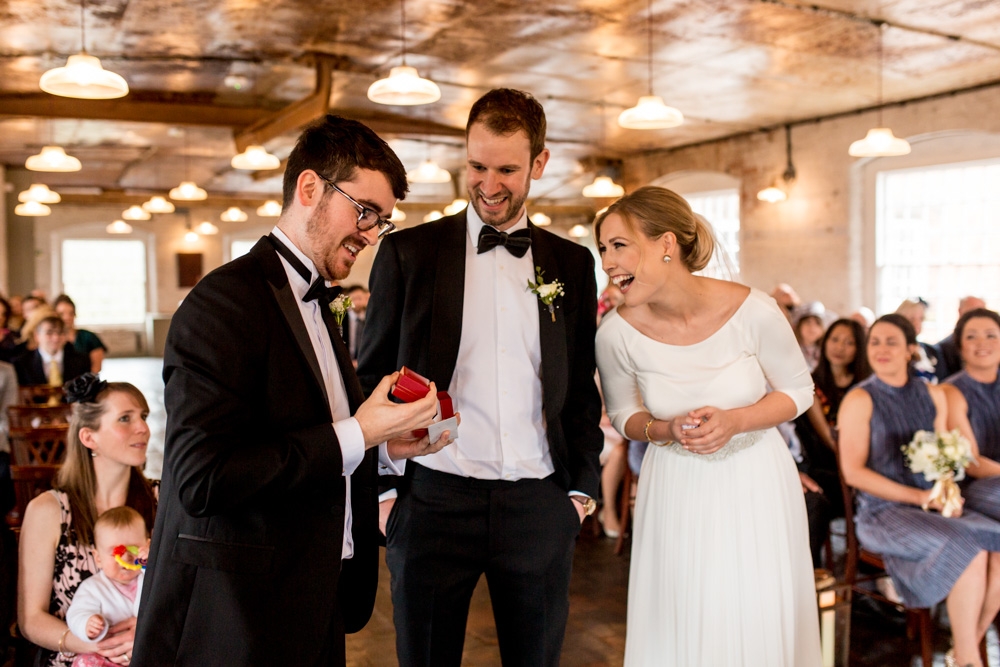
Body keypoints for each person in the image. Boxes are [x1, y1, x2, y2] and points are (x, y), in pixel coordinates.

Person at [133, 115, 450, 667]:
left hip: (314, 598)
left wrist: (385, 447)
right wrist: (361, 431)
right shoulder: (224, 302)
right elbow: (202, 480)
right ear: (310, 189)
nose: (373, 235)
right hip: (240, 617)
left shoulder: (316, 301)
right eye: (366, 212)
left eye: (382, 222)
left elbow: (313, 443)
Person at [358, 88, 604, 667]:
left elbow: (578, 392)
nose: (489, 185)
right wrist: (385, 494)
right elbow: (370, 381)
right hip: (431, 502)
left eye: (507, 169)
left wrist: (578, 495)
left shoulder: (571, 264)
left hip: (539, 506)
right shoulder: (408, 254)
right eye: (476, 166)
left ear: (539, 164)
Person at [595, 186, 820, 666]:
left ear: (666, 244)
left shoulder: (755, 310)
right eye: (603, 249)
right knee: (684, 607)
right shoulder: (616, 332)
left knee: (753, 607)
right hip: (676, 485)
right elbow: (622, 415)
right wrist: (663, 429)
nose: (609, 262)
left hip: (755, 479)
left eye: (619, 245)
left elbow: (798, 391)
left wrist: (737, 420)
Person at [838, 314, 1000, 667]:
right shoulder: (860, 399)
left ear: (910, 349)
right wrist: (917, 497)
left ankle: (965, 647)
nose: (881, 349)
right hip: (883, 513)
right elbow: (852, 473)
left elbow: (945, 456)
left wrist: (948, 492)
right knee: (969, 547)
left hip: (929, 504)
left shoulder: (933, 395)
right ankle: (971, 659)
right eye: (875, 342)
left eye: (891, 341)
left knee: (996, 540)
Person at [18, 374, 157, 667]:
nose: (143, 428)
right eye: (125, 419)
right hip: (77, 656)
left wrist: (148, 636)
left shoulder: (163, 500)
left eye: (143, 417)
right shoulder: (50, 510)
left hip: (152, 650)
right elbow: (30, 619)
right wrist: (95, 644)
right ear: (89, 437)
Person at [793, 318, 870, 565]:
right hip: (825, 468)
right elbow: (827, 440)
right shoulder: (810, 386)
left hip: (863, 465)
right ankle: (814, 574)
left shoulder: (865, 389)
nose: (840, 347)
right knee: (813, 499)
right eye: (835, 339)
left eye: (849, 342)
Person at [66, 507, 148, 663]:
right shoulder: (93, 588)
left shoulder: (152, 578)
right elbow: (76, 613)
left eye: (134, 549)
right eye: (116, 552)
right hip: (105, 656)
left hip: (145, 653)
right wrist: (88, 623)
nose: (126, 557)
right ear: (98, 558)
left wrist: (149, 563)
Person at [943, 308, 1000, 523]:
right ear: (960, 346)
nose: (982, 343)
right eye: (971, 336)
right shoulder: (950, 392)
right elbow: (971, 463)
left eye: (991, 335)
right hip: (973, 485)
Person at [14, 315, 91, 387]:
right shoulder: (22, 363)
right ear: (37, 335)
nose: (56, 338)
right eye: (49, 333)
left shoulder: (81, 361)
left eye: (60, 332)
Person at [896, 297, 945, 382]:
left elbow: (944, 380)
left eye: (921, 319)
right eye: (912, 319)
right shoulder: (895, 352)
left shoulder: (932, 351)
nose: (917, 323)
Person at [54, 295, 107, 374]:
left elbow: (96, 368)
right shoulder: (52, 339)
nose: (67, 317)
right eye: (62, 314)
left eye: (71, 313)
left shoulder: (88, 337)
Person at [938, 296, 987, 378]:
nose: (978, 318)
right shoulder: (943, 349)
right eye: (973, 312)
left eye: (982, 313)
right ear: (960, 311)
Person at [340, 284, 369, 363]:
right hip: (347, 361)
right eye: (354, 299)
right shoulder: (341, 318)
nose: (357, 302)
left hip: (366, 362)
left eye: (360, 298)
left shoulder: (370, 318)